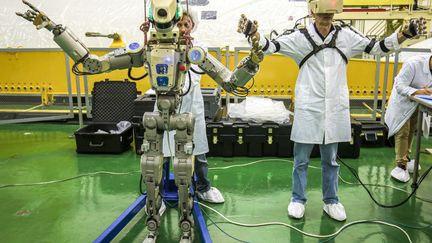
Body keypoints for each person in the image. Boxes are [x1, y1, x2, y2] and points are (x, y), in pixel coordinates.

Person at [239, 0, 423, 221]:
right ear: (312, 11)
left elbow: (377, 48)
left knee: (331, 160)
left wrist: (405, 34)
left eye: (330, 12)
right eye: (322, 12)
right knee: (301, 160)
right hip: (309, 108)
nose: (326, 17)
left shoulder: (346, 36)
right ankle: (297, 199)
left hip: (334, 109)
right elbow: (270, 47)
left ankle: (331, 200)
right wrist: (254, 34)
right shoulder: (300, 38)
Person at [154, 7, 225, 204]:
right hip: (166, 105)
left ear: (193, 26)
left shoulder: (198, 47)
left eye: (187, 24)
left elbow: (205, 64)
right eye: (179, 24)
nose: (183, 28)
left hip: (192, 105)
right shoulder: (160, 46)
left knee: (198, 150)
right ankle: (156, 196)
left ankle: (203, 187)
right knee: (162, 152)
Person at [385, 55, 431, 182]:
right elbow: (399, 86)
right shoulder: (413, 64)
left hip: (417, 102)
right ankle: (400, 165)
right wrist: (418, 91)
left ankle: (407, 158)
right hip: (403, 102)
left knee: (412, 130)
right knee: (403, 132)